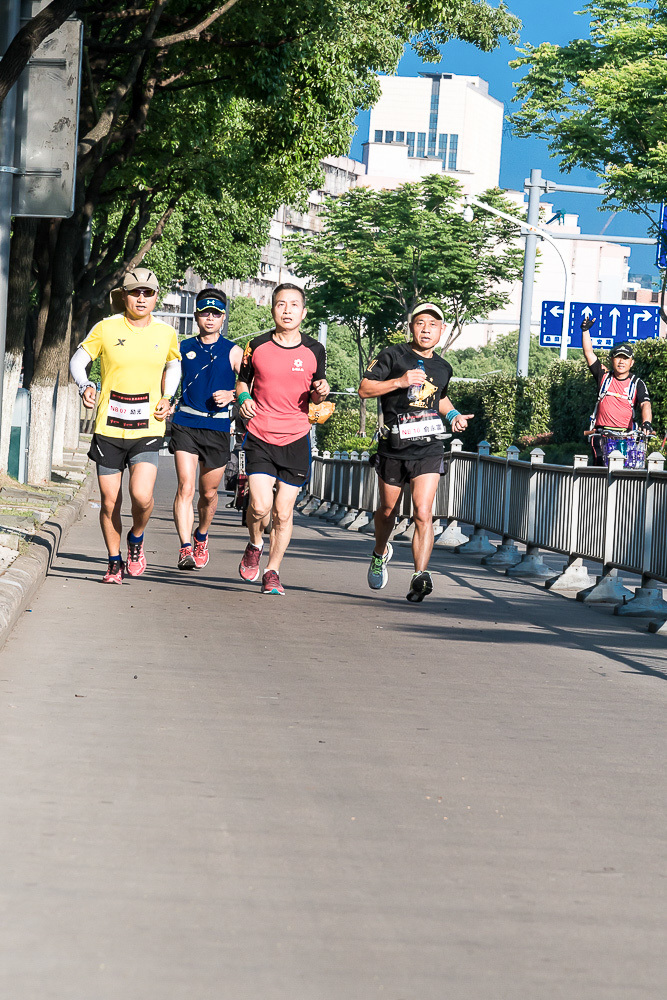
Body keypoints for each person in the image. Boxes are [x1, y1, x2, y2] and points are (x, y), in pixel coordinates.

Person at [70, 267, 181, 583]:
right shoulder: (106, 328)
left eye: (148, 292)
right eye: (135, 292)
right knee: (109, 501)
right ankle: (114, 561)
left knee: (142, 496)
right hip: (109, 427)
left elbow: (173, 364)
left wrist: (167, 395)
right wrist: (84, 386)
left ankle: (137, 537)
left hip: (147, 427)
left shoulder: (165, 332)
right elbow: (78, 361)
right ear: (125, 296)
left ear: (156, 297)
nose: (142, 298)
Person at [358, 302, 473, 602]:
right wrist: (399, 381)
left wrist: (454, 416)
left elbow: (441, 399)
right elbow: (364, 389)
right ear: (411, 326)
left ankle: (419, 575)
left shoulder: (443, 367)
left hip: (429, 447)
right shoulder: (392, 355)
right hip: (394, 448)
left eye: (432, 324)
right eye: (420, 323)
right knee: (387, 511)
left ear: (441, 330)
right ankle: (380, 552)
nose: (426, 329)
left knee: (424, 512)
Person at [236, 282, 329, 595]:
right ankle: (254, 543)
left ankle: (272, 571)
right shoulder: (257, 345)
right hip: (260, 434)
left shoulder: (315, 349)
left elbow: (317, 396)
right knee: (261, 507)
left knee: (284, 512)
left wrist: (320, 394)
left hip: (296, 438)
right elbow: (242, 382)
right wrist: (244, 398)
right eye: (280, 304)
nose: (287, 310)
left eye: (293, 305)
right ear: (272, 308)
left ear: (303, 312)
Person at [169, 288, 243, 569]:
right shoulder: (182, 347)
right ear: (196, 315)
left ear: (223, 318)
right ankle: (185, 547)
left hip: (217, 427)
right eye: (204, 313)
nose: (209, 318)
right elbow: (168, 378)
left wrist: (232, 396)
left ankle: (201, 535)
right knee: (185, 487)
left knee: (208, 493)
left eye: (215, 313)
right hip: (186, 423)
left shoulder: (234, 351)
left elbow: (251, 386)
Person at [581, 317, 652, 465]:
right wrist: (585, 331)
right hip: (602, 434)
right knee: (601, 466)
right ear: (612, 360)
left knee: (627, 468)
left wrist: (646, 423)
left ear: (631, 363)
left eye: (625, 359)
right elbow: (589, 353)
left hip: (627, 436)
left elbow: (645, 404)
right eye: (618, 357)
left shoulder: (637, 383)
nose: (621, 362)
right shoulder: (604, 376)